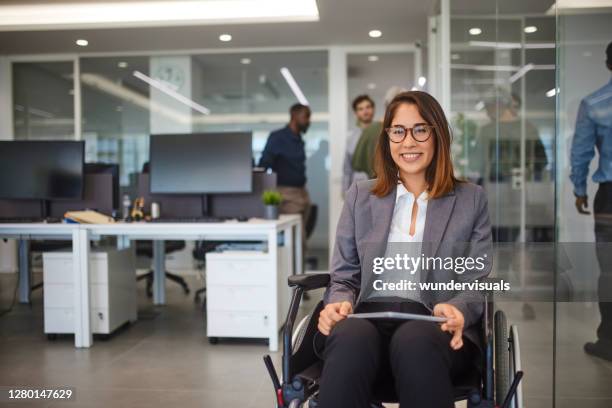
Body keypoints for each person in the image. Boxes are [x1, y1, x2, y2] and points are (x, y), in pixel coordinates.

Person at [317, 91, 492, 408]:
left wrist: (458, 309)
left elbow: (476, 281)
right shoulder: (361, 195)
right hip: (369, 318)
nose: (408, 142)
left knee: (415, 340)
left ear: (438, 134)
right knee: (350, 338)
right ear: (387, 139)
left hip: (435, 327)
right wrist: (339, 303)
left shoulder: (471, 199)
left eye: (420, 129)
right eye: (398, 131)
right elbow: (344, 277)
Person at [570, 41, 612, 362]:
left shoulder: (595, 103)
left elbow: (582, 152)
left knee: (609, 270)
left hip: (610, 196)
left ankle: (609, 341)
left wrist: (579, 189)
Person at [258, 103, 312, 250]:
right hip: (286, 195)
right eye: (306, 117)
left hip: (302, 194)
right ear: (294, 116)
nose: (309, 121)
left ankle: (298, 269)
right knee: (296, 241)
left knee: (301, 236)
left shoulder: (299, 139)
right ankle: (295, 272)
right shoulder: (277, 138)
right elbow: (263, 164)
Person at [343, 95, 375, 194]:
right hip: (357, 187)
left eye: (368, 107)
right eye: (360, 109)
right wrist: (345, 191)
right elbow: (347, 167)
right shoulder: (351, 138)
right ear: (356, 113)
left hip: (379, 185)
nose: (365, 111)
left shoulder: (381, 133)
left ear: (373, 109)